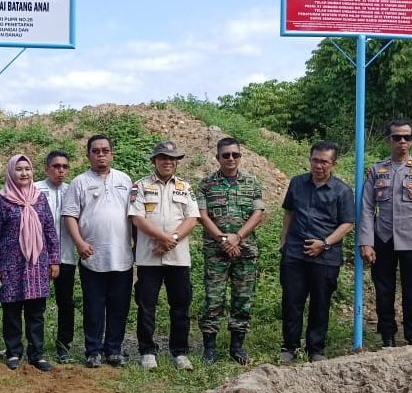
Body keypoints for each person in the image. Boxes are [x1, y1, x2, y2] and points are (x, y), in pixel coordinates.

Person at [359, 119, 412, 347]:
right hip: (383, 238)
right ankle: (388, 337)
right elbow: (366, 208)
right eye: (397, 137)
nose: (402, 141)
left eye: (407, 137)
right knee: (383, 291)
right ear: (388, 140)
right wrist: (366, 242)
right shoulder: (377, 171)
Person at [278, 141, 354, 364]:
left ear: (333, 164)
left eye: (324, 161)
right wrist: (284, 240)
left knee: (320, 303)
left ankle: (316, 349)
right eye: (315, 160)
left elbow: (347, 223)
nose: (319, 165)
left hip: (326, 257)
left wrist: (325, 243)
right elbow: (289, 212)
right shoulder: (297, 183)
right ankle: (289, 347)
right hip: (294, 254)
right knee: (292, 301)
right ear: (310, 159)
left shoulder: (342, 190)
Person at [62, 135, 134, 368]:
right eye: (96, 151)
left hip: (122, 256)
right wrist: (80, 243)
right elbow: (69, 215)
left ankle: (113, 349)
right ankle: (93, 350)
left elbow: (134, 216)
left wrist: (137, 247)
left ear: (112, 154)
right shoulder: (79, 182)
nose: (101, 154)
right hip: (92, 256)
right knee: (93, 306)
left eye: (105, 150)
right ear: (88, 155)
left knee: (119, 306)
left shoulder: (125, 180)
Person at [129, 141, 199, 370]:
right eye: (163, 158)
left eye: (172, 158)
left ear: (177, 162)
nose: (168, 162)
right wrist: (163, 238)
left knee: (180, 305)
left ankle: (179, 352)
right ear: (154, 161)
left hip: (178, 258)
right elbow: (137, 218)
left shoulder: (185, 187)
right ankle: (147, 351)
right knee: (146, 305)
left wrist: (172, 240)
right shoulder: (139, 186)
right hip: (149, 258)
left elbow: (192, 218)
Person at [197, 137, 266, 364]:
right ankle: (209, 349)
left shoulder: (252, 182)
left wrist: (237, 237)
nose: (230, 159)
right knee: (213, 299)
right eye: (225, 155)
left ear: (240, 157)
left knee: (242, 299)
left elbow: (258, 214)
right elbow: (202, 216)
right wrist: (223, 239)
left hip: (244, 250)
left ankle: (237, 347)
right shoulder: (206, 184)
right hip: (216, 251)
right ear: (217, 158)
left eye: (235, 155)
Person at [0, 154, 60, 372]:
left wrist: (54, 260)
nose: (24, 173)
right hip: (11, 264)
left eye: (27, 169)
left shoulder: (39, 198)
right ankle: (13, 352)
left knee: (36, 312)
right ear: (11, 172)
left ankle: (37, 355)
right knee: (11, 311)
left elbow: (50, 230)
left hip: (37, 264)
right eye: (19, 169)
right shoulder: (2, 199)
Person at [34, 150, 75, 363]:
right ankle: (36, 346)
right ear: (46, 168)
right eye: (56, 166)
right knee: (36, 303)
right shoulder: (34, 190)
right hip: (39, 257)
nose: (60, 171)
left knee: (65, 302)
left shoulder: (73, 190)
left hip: (66, 255)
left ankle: (63, 345)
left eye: (64, 167)